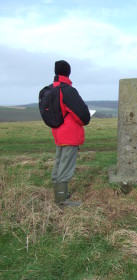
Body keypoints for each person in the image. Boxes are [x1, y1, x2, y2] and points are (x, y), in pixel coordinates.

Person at [51, 60, 90, 208]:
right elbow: (83, 116)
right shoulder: (67, 90)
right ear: (68, 72)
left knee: (59, 163)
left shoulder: (52, 89)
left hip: (58, 133)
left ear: (56, 72)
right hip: (70, 134)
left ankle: (59, 194)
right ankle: (62, 202)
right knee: (66, 167)